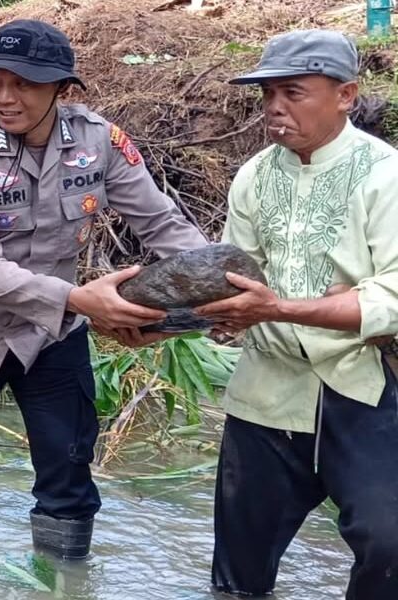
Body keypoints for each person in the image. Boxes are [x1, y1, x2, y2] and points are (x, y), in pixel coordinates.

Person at [0, 20, 207, 560]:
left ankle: (64, 580)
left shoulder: (99, 141)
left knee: (69, 477)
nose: (4, 97)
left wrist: (216, 286)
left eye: (24, 84)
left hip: (52, 334)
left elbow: (161, 224)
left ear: (62, 89)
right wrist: (81, 299)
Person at [191, 30, 398, 600]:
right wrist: (219, 315)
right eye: (267, 96)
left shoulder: (386, 175)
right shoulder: (256, 175)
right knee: (238, 567)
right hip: (266, 390)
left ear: (346, 95)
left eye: (293, 93)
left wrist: (278, 306)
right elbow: (239, 272)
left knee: (388, 543)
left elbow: (394, 297)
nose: (275, 109)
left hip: (356, 385)